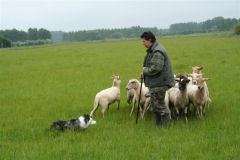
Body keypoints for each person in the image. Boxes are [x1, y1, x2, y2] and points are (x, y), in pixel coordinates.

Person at [140, 31, 175, 126]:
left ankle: (167, 126)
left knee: (159, 106)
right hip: (157, 82)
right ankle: (158, 126)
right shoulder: (154, 49)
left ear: (150, 40)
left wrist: (145, 71)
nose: (143, 44)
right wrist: (145, 72)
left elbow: (156, 68)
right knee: (155, 106)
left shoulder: (157, 51)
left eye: (144, 41)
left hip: (160, 83)